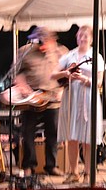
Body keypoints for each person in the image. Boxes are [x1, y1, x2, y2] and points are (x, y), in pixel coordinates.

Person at [7, 26, 65, 178]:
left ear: (53, 40)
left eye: (47, 41)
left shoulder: (61, 52)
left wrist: (62, 90)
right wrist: (22, 86)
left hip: (52, 99)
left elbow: (69, 74)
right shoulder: (25, 51)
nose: (43, 45)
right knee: (27, 132)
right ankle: (29, 165)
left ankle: (51, 166)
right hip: (31, 99)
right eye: (40, 41)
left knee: (53, 133)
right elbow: (16, 73)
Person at [57, 25, 106, 184]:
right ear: (76, 37)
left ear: (91, 39)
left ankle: (88, 173)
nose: (82, 38)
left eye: (86, 36)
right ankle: (73, 172)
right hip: (71, 97)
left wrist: (86, 80)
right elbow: (53, 74)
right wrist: (66, 74)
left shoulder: (96, 57)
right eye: (80, 35)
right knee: (72, 137)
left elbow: (99, 82)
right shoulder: (70, 55)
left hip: (88, 97)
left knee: (87, 138)